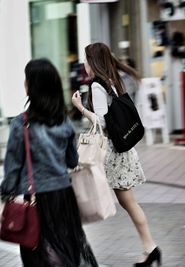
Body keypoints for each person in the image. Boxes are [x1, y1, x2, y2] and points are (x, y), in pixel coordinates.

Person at [0, 58, 98, 267]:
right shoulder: (64, 122)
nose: (24, 83)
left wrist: (6, 196)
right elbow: (72, 160)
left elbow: (13, 166)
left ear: (33, 86)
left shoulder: (21, 123)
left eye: (27, 80)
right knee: (66, 247)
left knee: (37, 252)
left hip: (37, 198)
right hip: (63, 197)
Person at [71, 43, 161, 267]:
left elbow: (102, 122)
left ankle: (149, 247)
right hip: (121, 150)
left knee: (82, 195)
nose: (84, 63)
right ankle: (150, 248)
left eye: (86, 59)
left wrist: (80, 107)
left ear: (93, 61)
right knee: (128, 202)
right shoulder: (112, 81)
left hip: (110, 152)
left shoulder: (97, 85)